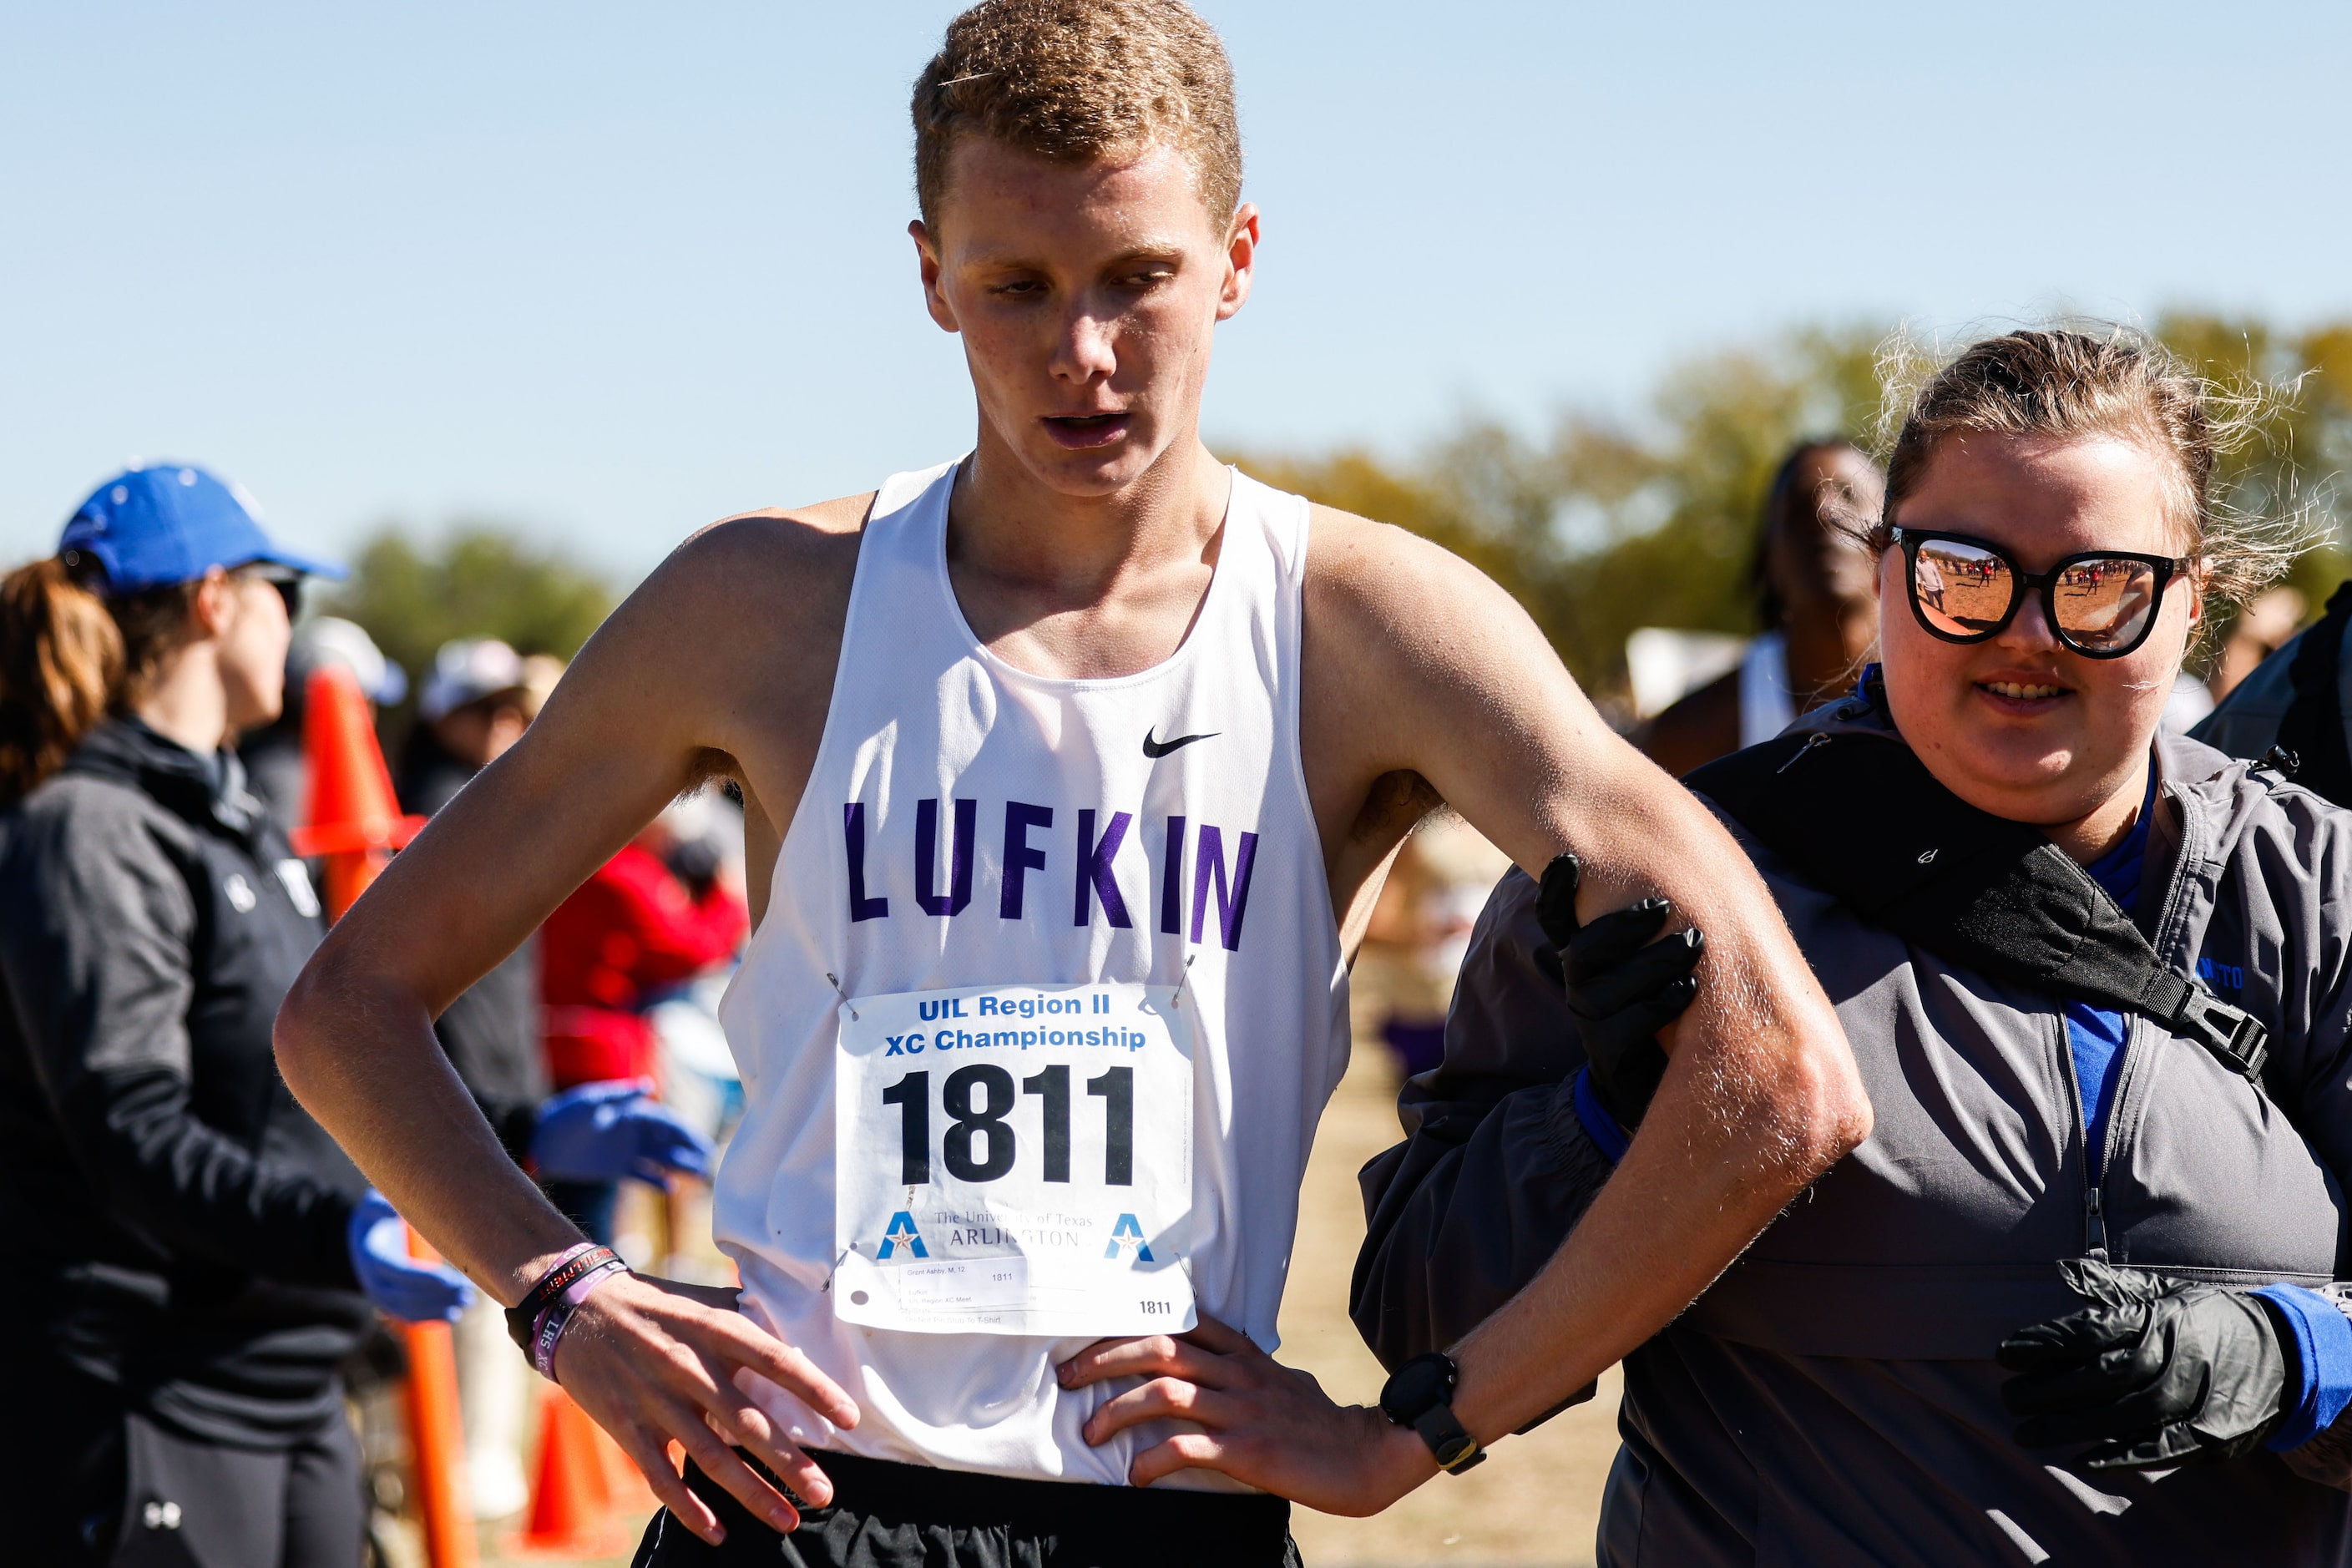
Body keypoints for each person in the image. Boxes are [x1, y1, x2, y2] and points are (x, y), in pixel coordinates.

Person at [271, 4, 1866, 1565]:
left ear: (1237, 260)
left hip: (1162, 1502)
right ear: (927, 278)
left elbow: (1783, 1073)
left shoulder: (1365, 625)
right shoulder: (760, 607)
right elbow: (345, 1004)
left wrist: (1419, 1428)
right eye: (1015, 285)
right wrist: (565, 1298)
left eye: (1139, 279)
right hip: (800, 1500)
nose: (1081, 353)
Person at [1354, 328, 2352, 1564]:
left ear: (2191, 599)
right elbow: (1420, 1318)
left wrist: (2296, 1356)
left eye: (2099, 583)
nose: (2028, 632)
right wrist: (1605, 1123)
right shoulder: (1657, 877)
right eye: (1965, 573)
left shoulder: (2315, 889)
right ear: (1887, 572)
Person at [0, 468, 722, 1565]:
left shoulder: (225, 817)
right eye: (283, 589)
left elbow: (299, 1068)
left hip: (288, 1384)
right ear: (216, 600)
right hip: (155, 1395)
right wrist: (332, 1229)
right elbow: (129, 1126)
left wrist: (524, 1125)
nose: (295, 624)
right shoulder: (90, 826)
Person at [1637, 440, 1883, 775]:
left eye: (1848, 495)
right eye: (1798, 508)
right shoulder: (1692, 732)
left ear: (1892, 537)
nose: (1824, 513)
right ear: (1769, 558)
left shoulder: (1944, 695)